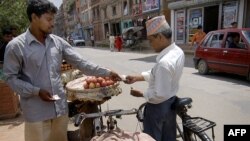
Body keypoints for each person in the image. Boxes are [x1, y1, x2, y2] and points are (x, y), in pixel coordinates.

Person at [3, 1, 121, 141]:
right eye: (48, 19)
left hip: (59, 110)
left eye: (53, 19)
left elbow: (81, 63)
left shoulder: (57, 42)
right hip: (36, 113)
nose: (52, 23)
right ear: (34, 17)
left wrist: (107, 73)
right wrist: (36, 91)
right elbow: (10, 78)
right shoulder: (16, 47)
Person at [124, 15, 185, 141]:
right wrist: (137, 77)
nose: (151, 45)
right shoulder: (178, 52)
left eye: (151, 40)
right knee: (168, 138)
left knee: (152, 138)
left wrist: (141, 94)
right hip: (170, 103)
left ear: (161, 37)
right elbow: (156, 74)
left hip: (158, 108)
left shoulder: (164, 62)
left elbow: (159, 95)